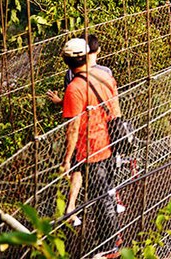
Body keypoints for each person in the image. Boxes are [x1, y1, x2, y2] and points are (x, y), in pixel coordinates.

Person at [46, 35, 122, 225]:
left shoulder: (74, 87)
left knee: (100, 198)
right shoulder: (106, 75)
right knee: (105, 190)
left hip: (91, 147)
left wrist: (66, 159)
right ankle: (111, 238)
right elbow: (116, 107)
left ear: (66, 61)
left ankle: (111, 246)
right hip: (112, 139)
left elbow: (73, 128)